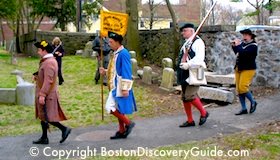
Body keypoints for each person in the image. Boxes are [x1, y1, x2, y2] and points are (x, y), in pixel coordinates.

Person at [99, 31, 137, 139]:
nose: (109, 44)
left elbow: (126, 71)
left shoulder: (123, 53)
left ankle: (128, 123)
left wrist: (125, 89)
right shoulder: (115, 53)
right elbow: (115, 70)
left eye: (111, 42)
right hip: (114, 85)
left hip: (119, 86)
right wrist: (105, 71)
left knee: (109, 107)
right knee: (117, 108)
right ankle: (121, 130)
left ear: (117, 42)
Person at [32, 40, 71, 144]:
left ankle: (64, 129)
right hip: (46, 93)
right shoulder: (47, 61)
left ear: (44, 50)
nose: (38, 52)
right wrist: (37, 76)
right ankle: (44, 138)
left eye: (39, 50)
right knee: (43, 116)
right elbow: (45, 75)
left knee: (48, 116)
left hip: (48, 95)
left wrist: (42, 95)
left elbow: (48, 81)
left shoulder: (49, 62)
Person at [177, 23, 209, 128]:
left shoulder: (198, 42)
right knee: (185, 98)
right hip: (185, 71)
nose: (183, 33)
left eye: (185, 31)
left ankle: (204, 112)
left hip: (196, 70)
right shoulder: (187, 42)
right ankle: (190, 120)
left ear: (191, 31)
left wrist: (188, 64)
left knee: (189, 96)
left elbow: (200, 58)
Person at [231, 29, 258, 115]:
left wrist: (238, 46)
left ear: (251, 36)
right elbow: (237, 52)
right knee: (239, 90)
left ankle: (253, 101)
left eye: (246, 35)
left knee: (243, 87)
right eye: (243, 35)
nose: (244, 37)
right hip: (239, 68)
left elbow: (243, 53)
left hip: (248, 69)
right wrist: (234, 46)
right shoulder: (243, 44)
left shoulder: (253, 46)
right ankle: (243, 108)